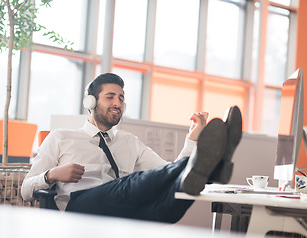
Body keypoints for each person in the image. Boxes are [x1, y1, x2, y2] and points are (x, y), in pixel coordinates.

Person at [21, 73, 242, 223]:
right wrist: (52, 175)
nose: (117, 103)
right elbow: (25, 190)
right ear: (90, 103)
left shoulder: (129, 141)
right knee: (129, 184)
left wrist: (193, 139)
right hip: (79, 208)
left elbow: (167, 171)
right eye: (110, 97)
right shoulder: (61, 137)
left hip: (120, 208)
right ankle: (216, 164)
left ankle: (212, 167)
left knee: (169, 205)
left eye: (121, 98)